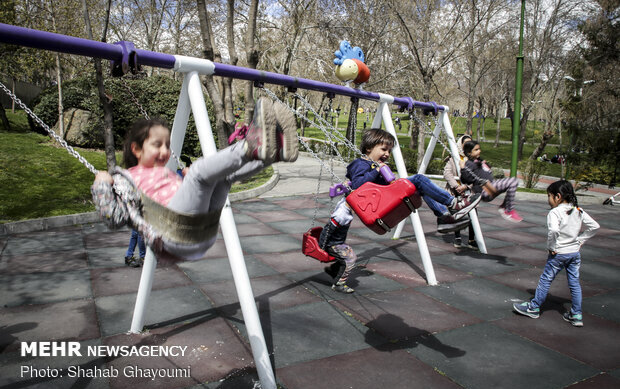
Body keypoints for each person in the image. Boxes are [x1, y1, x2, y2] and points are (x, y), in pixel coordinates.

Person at [91, 98, 298, 261]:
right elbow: (114, 219)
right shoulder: (125, 180)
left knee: (222, 177)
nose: (164, 151)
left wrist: (184, 178)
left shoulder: (163, 174)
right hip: (174, 234)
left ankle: (273, 154)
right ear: (136, 149)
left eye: (167, 144)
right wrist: (101, 183)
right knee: (200, 172)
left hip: (202, 232)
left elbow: (181, 197)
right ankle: (249, 146)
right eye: (157, 145)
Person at [319, 129, 482, 293]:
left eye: (389, 150)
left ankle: (444, 217)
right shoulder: (360, 164)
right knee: (418, 179)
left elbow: (384, 185)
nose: (387, 154)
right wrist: (376, 170)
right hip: (375, 205)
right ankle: (453, 204)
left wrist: (387, 177)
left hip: (382, 202)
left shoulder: (375, 164)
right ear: (368, 148)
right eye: (384, 149)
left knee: (419, 187)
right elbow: (358, 185)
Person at [513, 180, 599, 326]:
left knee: (546, 280)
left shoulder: (555, 212)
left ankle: (534, 307)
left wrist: (551, 246)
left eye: (549, 196)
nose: (548, 199)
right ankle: (576, 314)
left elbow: (553, 230)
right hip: (574, 253)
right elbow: (595, 226)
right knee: (574, 283)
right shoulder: (578, 210)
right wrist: (580, 240)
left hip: (558, 253)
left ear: (557, 197)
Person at [460, 140, 523, 222]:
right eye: (476, 150)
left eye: (479, 149)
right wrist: (463, 168)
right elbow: (466, 179)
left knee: (513, 182)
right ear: (469, 153)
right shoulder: (469, 163)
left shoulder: (478, 162)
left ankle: (505, 206)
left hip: (490, 187)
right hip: (485, 191)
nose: (479, 151)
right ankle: (508, 209)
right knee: (513, 181)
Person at [443, 134, 477, 249]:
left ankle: (472, 239)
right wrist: (456, 186)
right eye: (465, 143)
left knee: (473, 215)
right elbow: (447, 173)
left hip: (468, 192)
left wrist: (466, 187)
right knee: (456, 214)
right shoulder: (453, 158)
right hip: (455, 191)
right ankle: (457, 237)